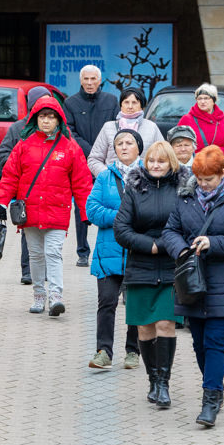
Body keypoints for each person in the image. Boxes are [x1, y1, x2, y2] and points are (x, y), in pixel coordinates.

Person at [161, 145, 224, 427]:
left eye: (209, 179)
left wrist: (212, 243)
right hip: (191, 279)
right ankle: (214, 386)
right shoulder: (186, 195)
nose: (203, 184)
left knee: (215, 341)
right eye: (199, 179)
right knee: (198, 343)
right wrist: (181, 249)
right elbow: (171, 230)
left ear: (222, 172)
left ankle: (210, 399)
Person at [0, 97, 93, 316]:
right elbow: (10, 176)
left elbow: (82, 182)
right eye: (42, 116)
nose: (46, 121)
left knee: (53, 253)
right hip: (29, 211)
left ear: (58, 120)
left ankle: (55, 296)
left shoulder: (70, 147)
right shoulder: (24, 146)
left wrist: (86, 211)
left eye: (51, 117)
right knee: (36, 255)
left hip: (57, 211)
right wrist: (2, 202)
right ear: (34, 119)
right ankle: (39, 295)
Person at [114, 140, 190, 408]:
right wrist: (152, 245)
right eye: (152, 161)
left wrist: (169, 245)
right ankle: (153, 380)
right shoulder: (134, 189)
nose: (156, 166)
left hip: (172, 267)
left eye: (162, 161)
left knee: (166, 324)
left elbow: (190, 225)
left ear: (171, 163)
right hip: (141, 267)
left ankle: (164, 383)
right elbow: (121, 229)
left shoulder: (184, 189)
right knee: (144, 328)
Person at [85, 130, 142, 371]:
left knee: (136, 303)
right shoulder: (105, 177)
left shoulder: (149, 176)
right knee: (106, 302)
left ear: (139, 148)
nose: (124, 147)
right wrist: (120, 216)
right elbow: (92, 209)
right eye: (119, 143)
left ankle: (133, 351)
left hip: (139, 250)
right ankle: (103, 351)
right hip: (108, 251)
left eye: (129, 143)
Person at [0, 86, 55, 285]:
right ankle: (27, 271)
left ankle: (45, 270)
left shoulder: (57, 129)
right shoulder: (17, 129)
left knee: (49, 232)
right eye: (42, 100)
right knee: (28, 233)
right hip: (27, 191)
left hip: (50, 191)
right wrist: (19, 169)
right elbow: (3, 154)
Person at [64, 65, 119, 267]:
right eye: (86, 79)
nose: (89, 83)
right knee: (82, 207)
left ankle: (111, 248)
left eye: (93, 79)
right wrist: (91, 150)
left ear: (99, 80)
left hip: (107, 163)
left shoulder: (111, 101)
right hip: (82, 162)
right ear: (80, 80)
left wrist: (104, 152)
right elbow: (69, 131)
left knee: (112, 204)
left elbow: (117, 127)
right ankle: (82, 252)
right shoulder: (70, 103)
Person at [87, 87, 164, 177]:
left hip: (143, 185)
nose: (130, 106)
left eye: (134, 102)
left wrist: (149, 176)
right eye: (126, 102)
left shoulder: (151, 127)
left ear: (141, 106)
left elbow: (164, 156)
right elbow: (94, 159)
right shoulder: (108, 127)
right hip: (112, 186)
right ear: (121, 105)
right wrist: (108, 176)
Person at [177, 83, 224, 160]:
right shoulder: (187, 120)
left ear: (214, 100)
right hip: (195, 165)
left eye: (206, 98)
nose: (202, 101)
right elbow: (177, 145)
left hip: (218, 164)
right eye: (199, 98)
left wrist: (215, 153)